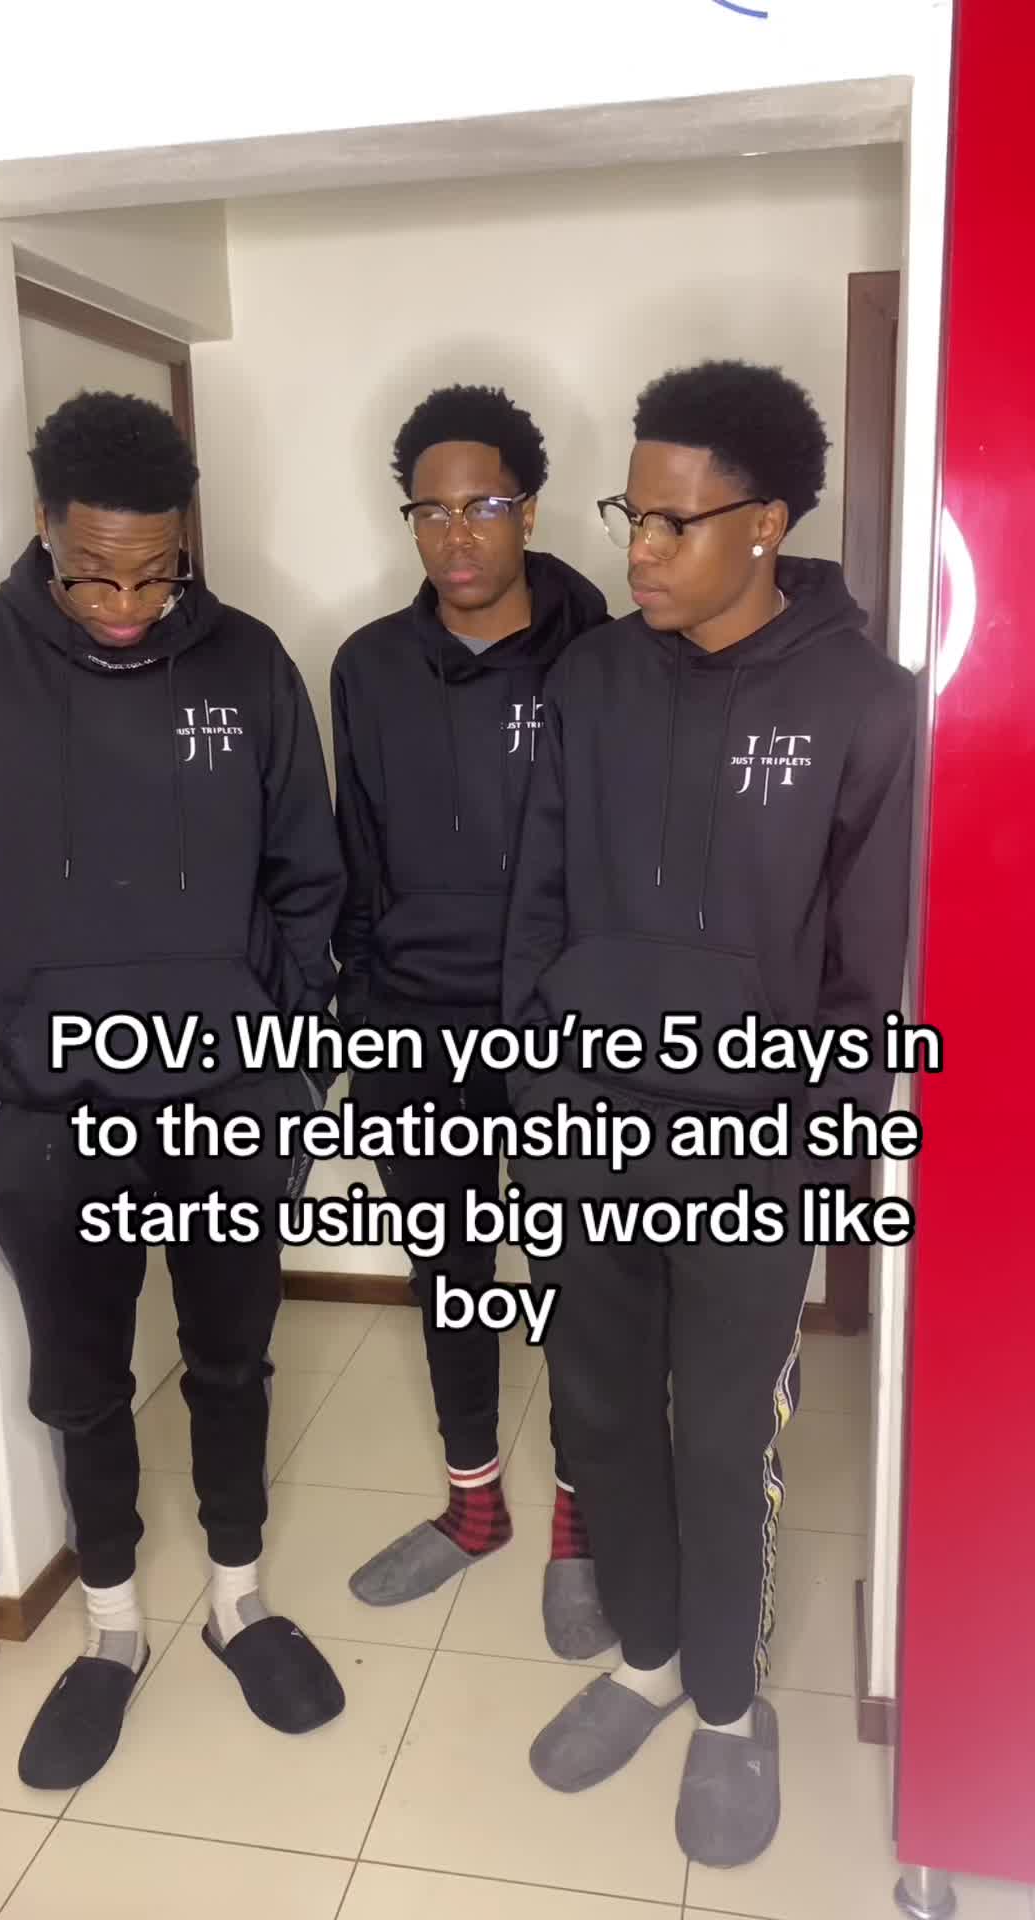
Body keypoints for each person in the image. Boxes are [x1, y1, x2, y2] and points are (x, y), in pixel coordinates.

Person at [503, 360, 917, 1866]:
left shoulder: (865, 706)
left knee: (725, 1436)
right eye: (633, 516)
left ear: (769, 522)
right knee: (605, 1413)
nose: (643, 550)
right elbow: (537, 906)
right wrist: (534, 1099)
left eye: (677, 523)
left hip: (752, 1147)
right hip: (585, 1132)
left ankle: (733, 1712)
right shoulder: (590, 681)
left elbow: (870, 970)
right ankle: (651, 1660)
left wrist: (816, 1156)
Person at [0, 392, 347, 1789]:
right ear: (44, 529)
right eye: (94, 574)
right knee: (81, 1384)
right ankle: (112, 1629)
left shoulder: (248, 666)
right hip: (44, 1113)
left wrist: (283, 1067)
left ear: (186, 541)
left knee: (232, 1359)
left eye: (155, 574)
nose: (125, 605)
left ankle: (239, 1599)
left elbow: (308, 878)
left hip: (228, 1103)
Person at [331, 383, 613, 1658]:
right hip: (416, 1032)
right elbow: (354, 857)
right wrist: (360, 1021)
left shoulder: (605, 655)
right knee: (448, 1276)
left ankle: (578, 1526)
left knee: (575, 1288)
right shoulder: (367, 667)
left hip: (562, 1037)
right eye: (431, 510)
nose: (456, 534)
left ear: (529, 510)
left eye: (483, 506)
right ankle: (474, 1507)